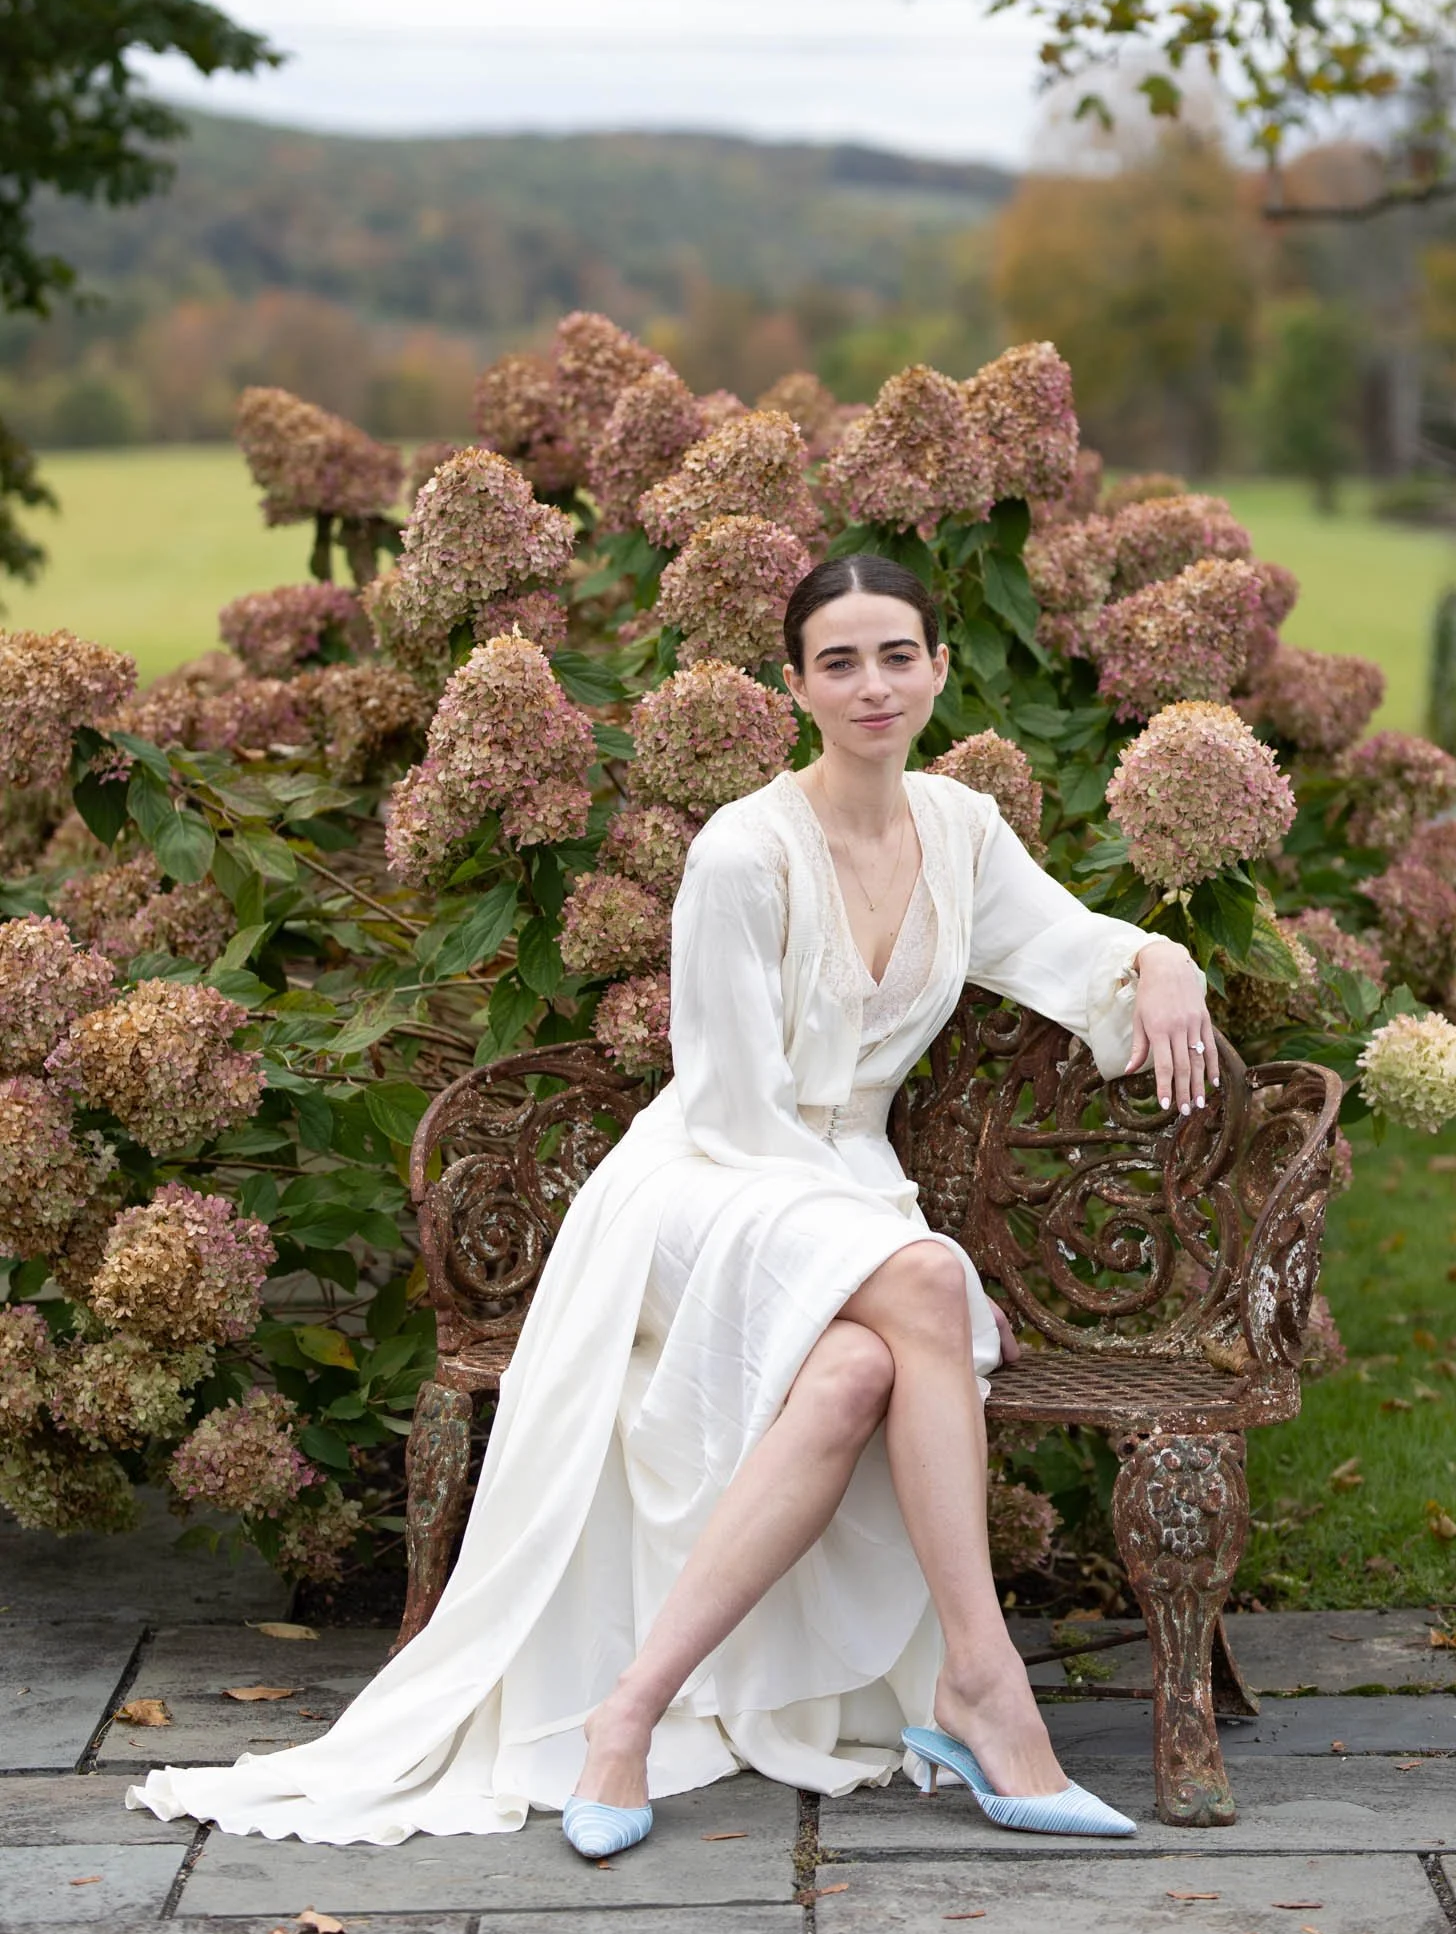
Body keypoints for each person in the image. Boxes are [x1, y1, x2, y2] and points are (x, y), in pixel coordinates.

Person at [129, 555, 1217, 1855]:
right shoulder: (744, 849)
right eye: (838, 661)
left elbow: (1065, 943)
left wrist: (1165, 957)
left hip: (838, 1193)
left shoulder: (960, 832)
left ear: (935, 668)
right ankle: (984, 1689)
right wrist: (875, 1245)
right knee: (920, 1282)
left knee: (855, 1372)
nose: (871, 685)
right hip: (702, 1185)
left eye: (895, 656)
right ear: (794, 685)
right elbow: (734, 1103)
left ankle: (624, 1718)